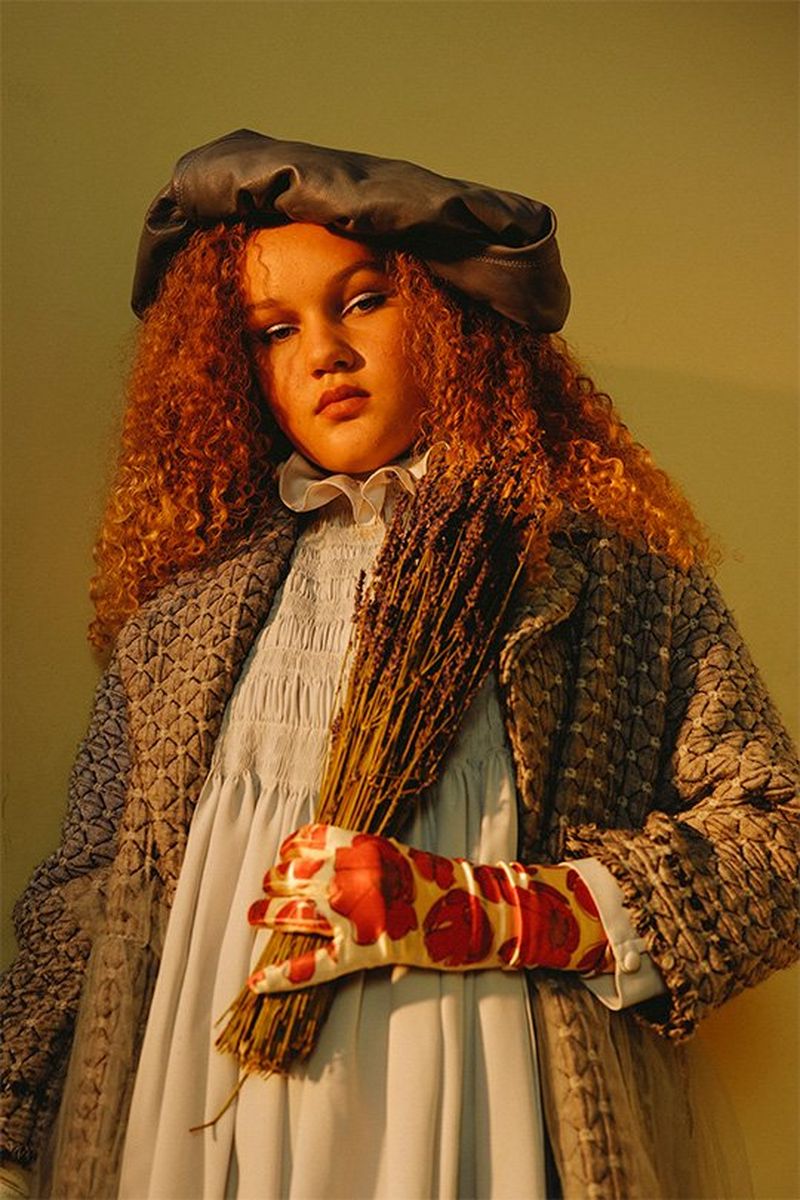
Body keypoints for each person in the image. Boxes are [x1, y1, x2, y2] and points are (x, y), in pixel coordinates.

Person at [1, 130, 797, 1200]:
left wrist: (487, 908)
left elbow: (777, 842)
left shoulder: (607, 581)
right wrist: (12, 1124)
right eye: (273, 330)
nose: (323, 350)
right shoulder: (182, 619)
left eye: (364, 301)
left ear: (448, 315)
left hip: (478, 1113)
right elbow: (85, 894)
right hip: (189, 1121)